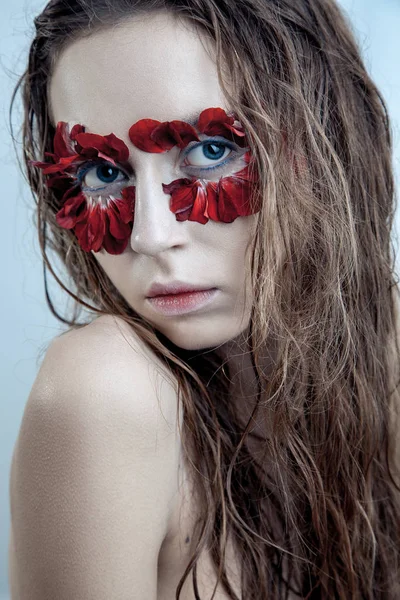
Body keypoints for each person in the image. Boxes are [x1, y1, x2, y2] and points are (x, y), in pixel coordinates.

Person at [8, 0, 400, 598]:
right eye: (103, 173)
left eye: (212, 151)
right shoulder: (103, 393)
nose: (150, 236)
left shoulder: (388, 355)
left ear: (324, 143)